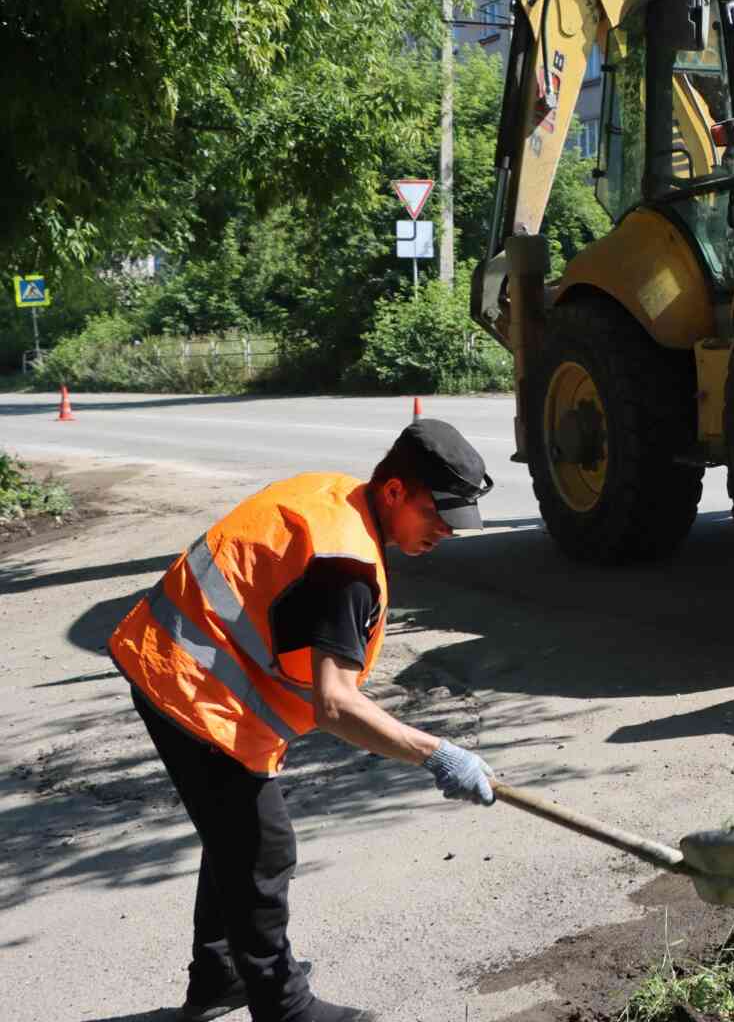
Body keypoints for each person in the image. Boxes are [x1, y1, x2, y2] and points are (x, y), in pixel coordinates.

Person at [108, 420, 499, 1022]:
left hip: (175, 660)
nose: (446, 532)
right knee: (263, 848)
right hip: (189, 686)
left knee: (234, 835)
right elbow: (336, 705)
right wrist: (437, 754)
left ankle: (220, 975)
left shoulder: (336, 499)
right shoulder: (344, 569)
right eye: (436, 514)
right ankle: (283, 1007)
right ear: (393, 491)